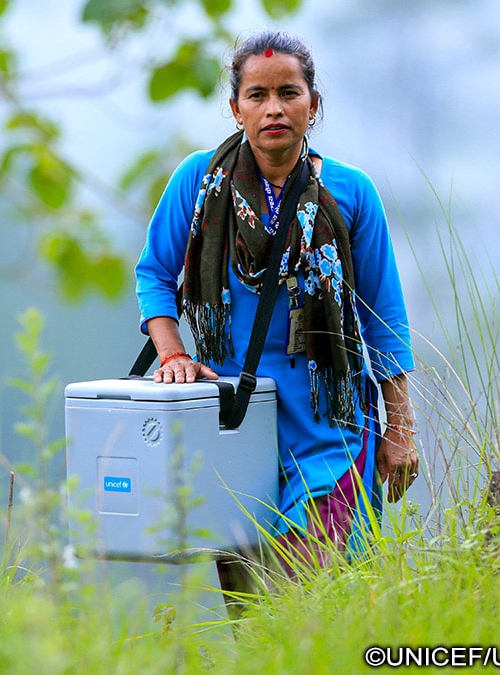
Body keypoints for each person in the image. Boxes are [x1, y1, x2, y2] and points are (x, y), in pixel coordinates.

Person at [134, 31, 419, 587]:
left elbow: (384, 319)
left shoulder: (351, 192)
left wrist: (400, 427)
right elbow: (154, 274)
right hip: (232, 423)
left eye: (289, 93)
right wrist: (173, 354)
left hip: (327, 426)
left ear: (314, 106)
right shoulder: (198, 181)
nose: (274, 109)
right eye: (257, 95)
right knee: (255, 610)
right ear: (235, 107)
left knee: (315, 590)